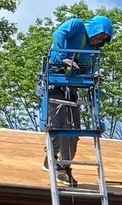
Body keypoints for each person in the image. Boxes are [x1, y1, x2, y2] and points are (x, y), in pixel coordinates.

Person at [44, 14, 112, 185]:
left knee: (74, 129)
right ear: (95, 28)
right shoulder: (77, 25)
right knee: (57, 122)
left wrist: (93, 75)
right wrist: (62, 58)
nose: (99, 40)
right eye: (99, 35)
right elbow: (58, 34)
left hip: (72, 86)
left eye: (103, 39)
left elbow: (87, 67)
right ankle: (50, 158)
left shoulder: (93, 51)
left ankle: (64, 166)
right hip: (56, 77)